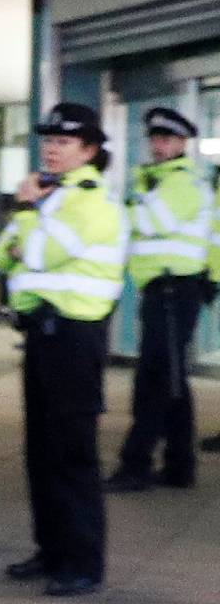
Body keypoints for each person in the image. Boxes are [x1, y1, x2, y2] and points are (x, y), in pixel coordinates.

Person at [0, 103, 127, 597]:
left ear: (89, 150)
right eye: (48, 139)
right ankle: (51, 549)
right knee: (41, 450)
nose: (51, 147)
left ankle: (83, 560)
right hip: (45, 333)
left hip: (75, 334)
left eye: (64, 141)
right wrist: (27, 224)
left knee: (73, 452)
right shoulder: (50, 196)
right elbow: (0, 255)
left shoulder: (89, 199)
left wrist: (26, 215)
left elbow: (39, 252)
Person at [110, 107, 210, 491]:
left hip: (173, 291)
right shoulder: (153, 182)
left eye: (166, 140)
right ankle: (178, 465)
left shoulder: (182, 182)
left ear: (182, 143)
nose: (158, 146)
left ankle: (137, 464)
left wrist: (135, 204)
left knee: (155, 381)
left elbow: (152, 224)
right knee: (170, 381)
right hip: (163, 292)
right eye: (154, 139)